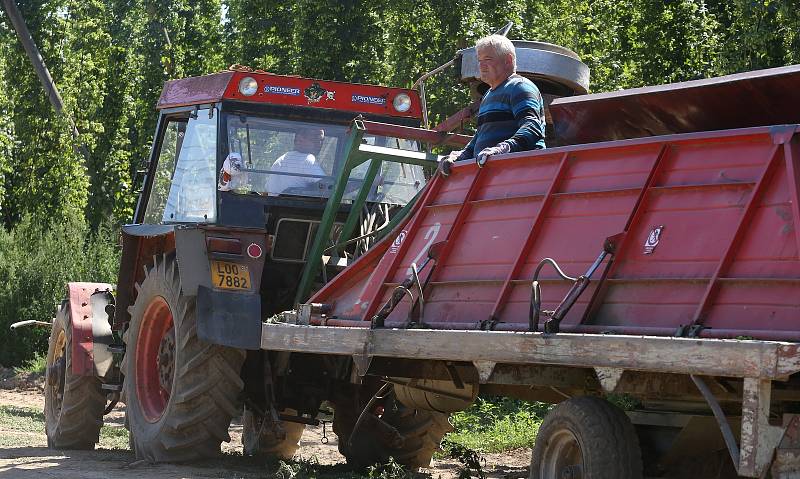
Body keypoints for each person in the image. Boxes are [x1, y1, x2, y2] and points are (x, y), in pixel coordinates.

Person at [441, 35, 546, 175]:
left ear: (508, 60)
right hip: (494, 174)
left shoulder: (520, 87)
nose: (481, 66)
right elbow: (481, 136)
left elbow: (532, 127)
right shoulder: (488, 96)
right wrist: (460, 156)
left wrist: (502, 149)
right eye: (480, 60)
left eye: (488, 59)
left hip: (523, 173)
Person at [267, 127, 327, 195]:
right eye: (315, 139)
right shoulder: (306, 159)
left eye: (322, 140)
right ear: (299, 139)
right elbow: (326, 187)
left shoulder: (280, 160)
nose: (319, 144)